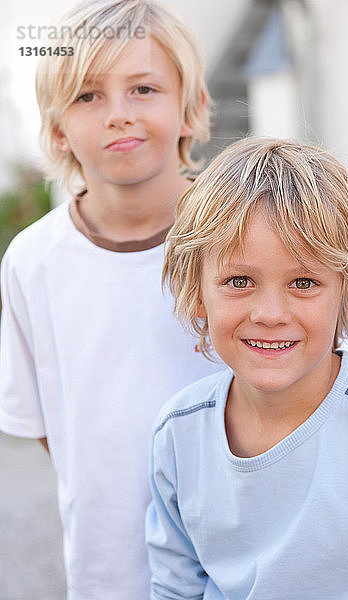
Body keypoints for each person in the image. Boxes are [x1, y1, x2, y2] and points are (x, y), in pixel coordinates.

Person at [0, 1, 222, 598]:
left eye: (144, 88)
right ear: (56, 130)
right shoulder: (31, 261)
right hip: (109, 572)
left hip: (247, 560)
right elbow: (49, 423)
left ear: (192, 107)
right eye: (88, 96)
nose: (119, 115)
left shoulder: (243, 238)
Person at [147, 137, 348, 600]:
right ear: (197, 291)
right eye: (239, 281)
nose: (270, 312)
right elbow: (175, 586)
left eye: (303, 283)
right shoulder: (178, 434)